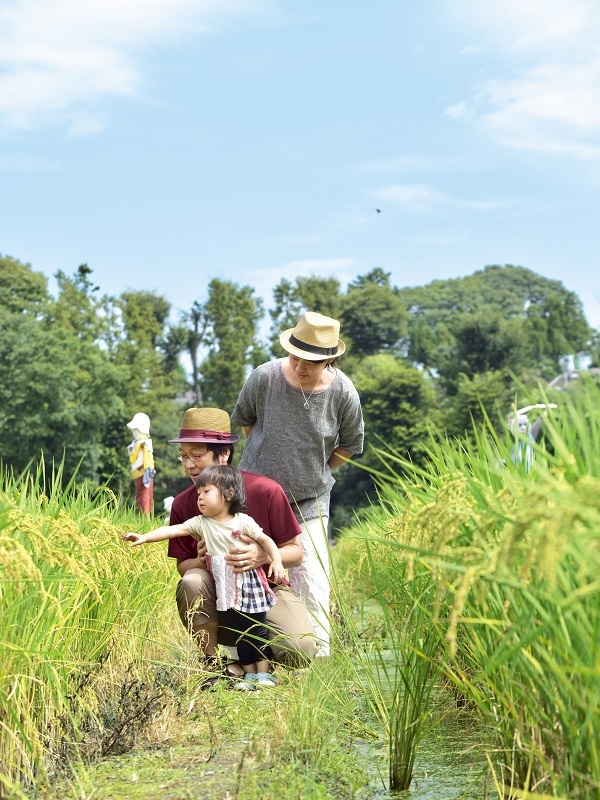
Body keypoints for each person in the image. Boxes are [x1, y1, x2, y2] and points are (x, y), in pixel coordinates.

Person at [231, 311, 364, 656]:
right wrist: (268, 462)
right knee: (245, 567)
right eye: (295, 356)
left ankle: (315, 662)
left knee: (313, 580)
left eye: (311, 361)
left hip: (309, 499)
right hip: (255, 498)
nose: (301, 366)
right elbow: (246, 422)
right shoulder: (265, 377)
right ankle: (246, 658)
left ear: (330, 360)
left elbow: (350, 445)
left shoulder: (344, 393)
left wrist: (320, 470)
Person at [167, 407, 317, 684]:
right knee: (191, 581)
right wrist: (203, 561)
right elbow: (183, 567)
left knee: (301, 649)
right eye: (183, 456)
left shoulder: (266, 490)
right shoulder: (183, 503)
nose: (188, 465)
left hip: (265, 591)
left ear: (223, 454)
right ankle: (212, 665)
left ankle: (248, 661)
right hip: (219, 597)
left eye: (197, 456)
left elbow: (295, 552)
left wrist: (262, 555)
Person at [123, 464, 284, 689]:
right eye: (198, 494)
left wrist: (275, 560)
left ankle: (265, 674)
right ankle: (249, 675)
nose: (200, 498)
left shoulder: (242, 521)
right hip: (226, 588)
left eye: (206, 492)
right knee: (240, 632)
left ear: (228, 494)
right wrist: (144, 537)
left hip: (248, 584)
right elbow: (172, 530)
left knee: (256, 627)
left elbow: (267, 541)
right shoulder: (201, 523)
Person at [126, 412, 156, 514]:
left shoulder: (146, 443)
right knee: (139, 494)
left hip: (145, 472)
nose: (133, 433)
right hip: (137, 472)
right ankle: (141, 514)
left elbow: (148, 458)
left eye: (135, 430)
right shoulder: (134, 445)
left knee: (146, 495)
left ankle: (146, 515)